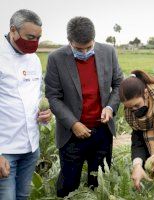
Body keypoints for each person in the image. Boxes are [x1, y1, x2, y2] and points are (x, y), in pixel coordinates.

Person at [45, 16, 123, 197]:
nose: (86, 51)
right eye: (79, 49)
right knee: (68, 186)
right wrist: (73, 124)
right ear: (69, 42)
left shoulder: (108, 52)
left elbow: (119, 83)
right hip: (71, 135)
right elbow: (53, 96)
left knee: (99, 185)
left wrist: (110, 108)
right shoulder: (56, 58)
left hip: (102, 131)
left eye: (89, 47)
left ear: (94, 39)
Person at [0, 9, 52, 200]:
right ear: (13, 30)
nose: (34, 43)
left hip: (30, 148)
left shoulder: (34, 60)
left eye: (38, 38)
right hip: (5, 151)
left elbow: (37, 96)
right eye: (30, 37)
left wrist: (46, 115)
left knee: (23, 196)